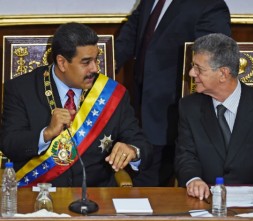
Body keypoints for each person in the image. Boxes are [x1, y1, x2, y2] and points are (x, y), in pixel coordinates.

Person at [0, 22, 152, 187]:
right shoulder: (21, 89)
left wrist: (132, 150)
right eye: (86, 62)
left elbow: (142, 144)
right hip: (39, 193)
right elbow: (9, 144)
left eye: (96, 59)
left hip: (98, 196)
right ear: (62, 62)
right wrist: (46, 134)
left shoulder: (112, 94)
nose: (95, 68)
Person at [115, 0, 231, 186]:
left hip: (173, 113)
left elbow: (214, 60)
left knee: (154, 185)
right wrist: (105, 64)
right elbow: (132, 31)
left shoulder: (210, 4)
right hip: (140, 106)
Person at [175, 33, 253, 200]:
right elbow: (185, 155)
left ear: (223, 74)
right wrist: (194, 179)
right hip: (206, 198)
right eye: (193, 66)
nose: (191, 73)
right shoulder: (189, 107)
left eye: (199, 69)